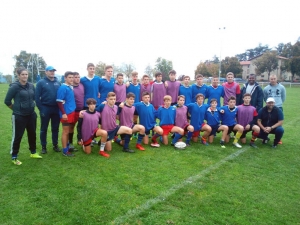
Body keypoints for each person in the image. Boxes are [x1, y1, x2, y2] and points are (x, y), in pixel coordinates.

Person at [4, 67, 42, 165]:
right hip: (19, 116)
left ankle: (33, 152)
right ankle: (14, 157)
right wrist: (16, 109)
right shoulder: (14, 87)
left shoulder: (30, 85)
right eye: (23, 74)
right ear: (18, 75)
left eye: (26, 74)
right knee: (17, 136)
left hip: (31, 115)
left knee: (32, 134)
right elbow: (7, 101)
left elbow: (34, 98)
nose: (25, 76)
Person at [35, 65, 61, 154]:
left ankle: (55, 145)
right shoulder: (41, 82)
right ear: (46, 72)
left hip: (56, 108)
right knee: (44, 128)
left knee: (55, 128)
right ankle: (43, 146)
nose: (52, 72)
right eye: (50, 71)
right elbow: (36, 97)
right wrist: (41, 108)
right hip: (45, 108)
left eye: (53, 71)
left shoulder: (58, 82)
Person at [56, 71, 76, 157]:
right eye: (69, 77)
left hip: (71, 112)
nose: (71, 79)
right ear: (65, 78)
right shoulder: (63, 87)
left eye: (72, 77)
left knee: (68, 131)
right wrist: (64, 113)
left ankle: (67, 147)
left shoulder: (70, 87)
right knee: (65, 131)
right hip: (66, 113)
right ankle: (65, 150)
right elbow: (59, 102)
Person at [69, 71, 84, 151]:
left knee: (82, 126)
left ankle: (80, 140)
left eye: (78, 77)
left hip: (81, 110)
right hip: (73, 111)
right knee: (71, 127)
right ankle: (70, 143)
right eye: (75, 77)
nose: (77, 79)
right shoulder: (70, 87)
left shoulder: (82, 85)